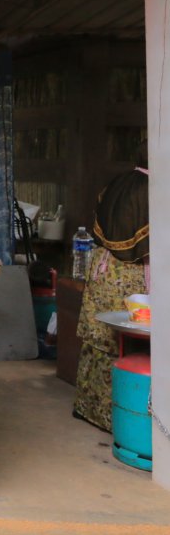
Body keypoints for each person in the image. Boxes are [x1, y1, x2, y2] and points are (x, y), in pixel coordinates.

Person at [73, 159, 150, 431]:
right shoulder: (152, 189)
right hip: (130, 275)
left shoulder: (118, 182)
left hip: (102, 267)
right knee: (127, 341)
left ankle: (87, 406)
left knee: (98, 339)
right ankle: (121, 416)